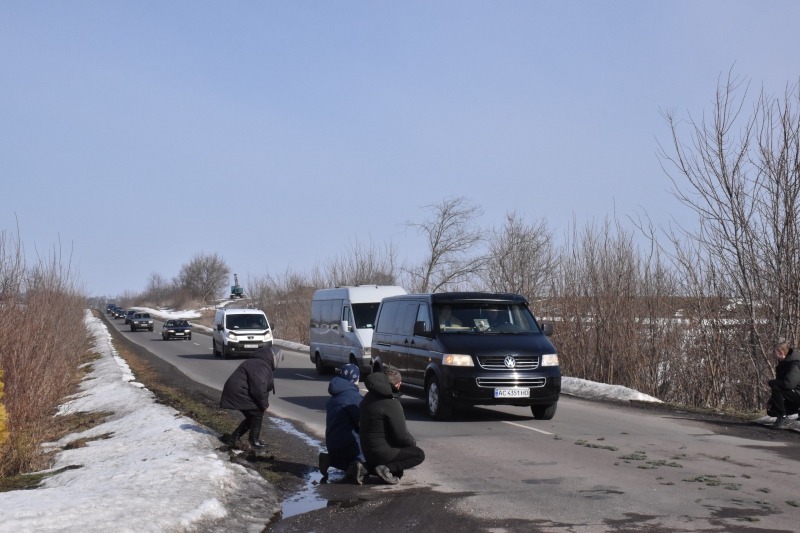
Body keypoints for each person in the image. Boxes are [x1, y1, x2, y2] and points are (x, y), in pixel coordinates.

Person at [360, 366, 425, 484]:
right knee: (418, 454)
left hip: (367, 452)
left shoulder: (368, 397)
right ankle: (385, 469)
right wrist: (412, 444)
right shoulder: (391, 403)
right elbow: (402, 436)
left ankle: (364, 468)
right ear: (398, 385)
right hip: (382, 453)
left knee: (398, 469)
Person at [219, 346, 279, 450]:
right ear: (273, 357)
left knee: (252, 416)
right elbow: (259, 388)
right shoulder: (261, 365)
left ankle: (233, 438)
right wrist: (264, 405)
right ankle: (254, 440)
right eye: (278, 358)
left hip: (238, 390)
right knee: (256, 414)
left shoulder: (260, 362)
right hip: (238, 391)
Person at [319, 364, 367, 484]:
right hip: (348, 445)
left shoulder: (333, 398)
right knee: (371, 449)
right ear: (356, 379)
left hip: (332, 444)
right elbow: (364, 425)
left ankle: (330, 459)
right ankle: (357, 465)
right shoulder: (354, 398)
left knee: (345, 453)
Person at [767, 342, 800, 429]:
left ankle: (783, 418)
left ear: (781, 353)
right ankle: (782, 416)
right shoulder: (782, 365)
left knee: (777, 387)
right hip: (793, 394)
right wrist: (771, 401)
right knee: (772, 410)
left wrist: (772, 382)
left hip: (797, 394)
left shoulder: (794, 364)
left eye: (774, 352)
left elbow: (788, 384)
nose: (772, 354)